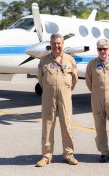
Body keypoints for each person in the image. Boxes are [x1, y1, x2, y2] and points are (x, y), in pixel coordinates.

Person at [36, 33, 79, 167]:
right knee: (48, 125)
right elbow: (40, 78)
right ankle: (47, 156)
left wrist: (64, 88)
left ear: (63, 44)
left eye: (59, 43)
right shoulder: (44, 61)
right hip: (49, 97)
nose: (56, 46)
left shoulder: (70, 60)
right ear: (51, 44)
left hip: (65, 96)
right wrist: (50, 88)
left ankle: (68, 154)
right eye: (54, 44)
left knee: (66, 125)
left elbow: (74, 79)